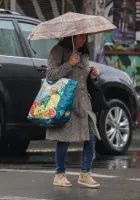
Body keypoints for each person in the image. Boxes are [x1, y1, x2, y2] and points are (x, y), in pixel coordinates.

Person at [46, 34, 102, 188]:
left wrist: (92, 76)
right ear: (71, 36)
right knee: (64, 139)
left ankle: (85, 174)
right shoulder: (58, 50)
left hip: (84, 102)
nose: (83, 39)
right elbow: (50, 75)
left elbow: (82, 78)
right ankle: (59, 175)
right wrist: (69, 64)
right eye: (79, 36)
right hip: (66, 101)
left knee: (90, 137)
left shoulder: (83, 53)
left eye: (85, 36)